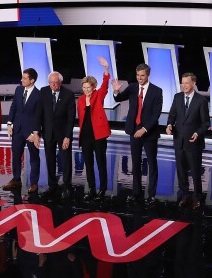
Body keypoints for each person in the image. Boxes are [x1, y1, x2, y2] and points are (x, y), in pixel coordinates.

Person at [112, 63, 162, 205]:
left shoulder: (157, 91)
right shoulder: (133, 87)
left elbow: (155, 114)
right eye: (138, 75)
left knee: (152, 164)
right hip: (133, 131)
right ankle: (136, 193)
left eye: (142, 76)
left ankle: (151, 195)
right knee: (135, 163)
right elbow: (119, 98)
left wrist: (144, 129)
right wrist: (116, 92)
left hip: (149, 133)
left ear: (148, 75)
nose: (139, 78)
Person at [165, 72, 209, 209]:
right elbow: (172, 115)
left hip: (193, 142)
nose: (184, 85)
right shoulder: (177, 97)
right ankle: (185, 195)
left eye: (187, 83)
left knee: (195, 172)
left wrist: (197, 133)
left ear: (194, 83)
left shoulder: (201, 100)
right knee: (181, 171)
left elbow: (206, 123)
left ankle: (197, 198)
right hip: (179, 140)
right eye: (182, 83)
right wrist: (169, 125)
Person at [37, 70, 76, 199]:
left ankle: (66, 185)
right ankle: (52, 185)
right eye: (51, 83)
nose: (53, 85)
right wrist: (37, 132)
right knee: (50, 159)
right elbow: (39, 113)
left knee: (66, 160)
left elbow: (71, 118)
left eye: (56, 83)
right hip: (48, 132)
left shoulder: (69, 94)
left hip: (63, 133)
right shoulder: (43, 92)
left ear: (61, 82)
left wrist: (67, 136)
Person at [3, 68, 42, 194]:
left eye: (25, 78)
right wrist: (9, 123)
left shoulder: (39, 94)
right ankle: (16, 179)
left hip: (31, 132)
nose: (21, 80)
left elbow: (40, 116)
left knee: (34, 158)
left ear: (32, 80)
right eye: (22, 77)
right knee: (15, 155)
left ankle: (33, 183)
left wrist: (35, 133)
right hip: (17, 129)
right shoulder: (19, 89)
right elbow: (14, 107)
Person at [78, 57, 111, 200]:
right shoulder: (80, 100)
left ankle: (102, 189)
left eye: (88, 88)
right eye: (84, 88)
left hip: (98, 135)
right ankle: (91, 189)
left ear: (93, 87)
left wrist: (106, 69)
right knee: (88, 164)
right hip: (85, 136)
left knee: (101, 162)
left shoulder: (99, 94)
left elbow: (105, 84)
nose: (86, 90)